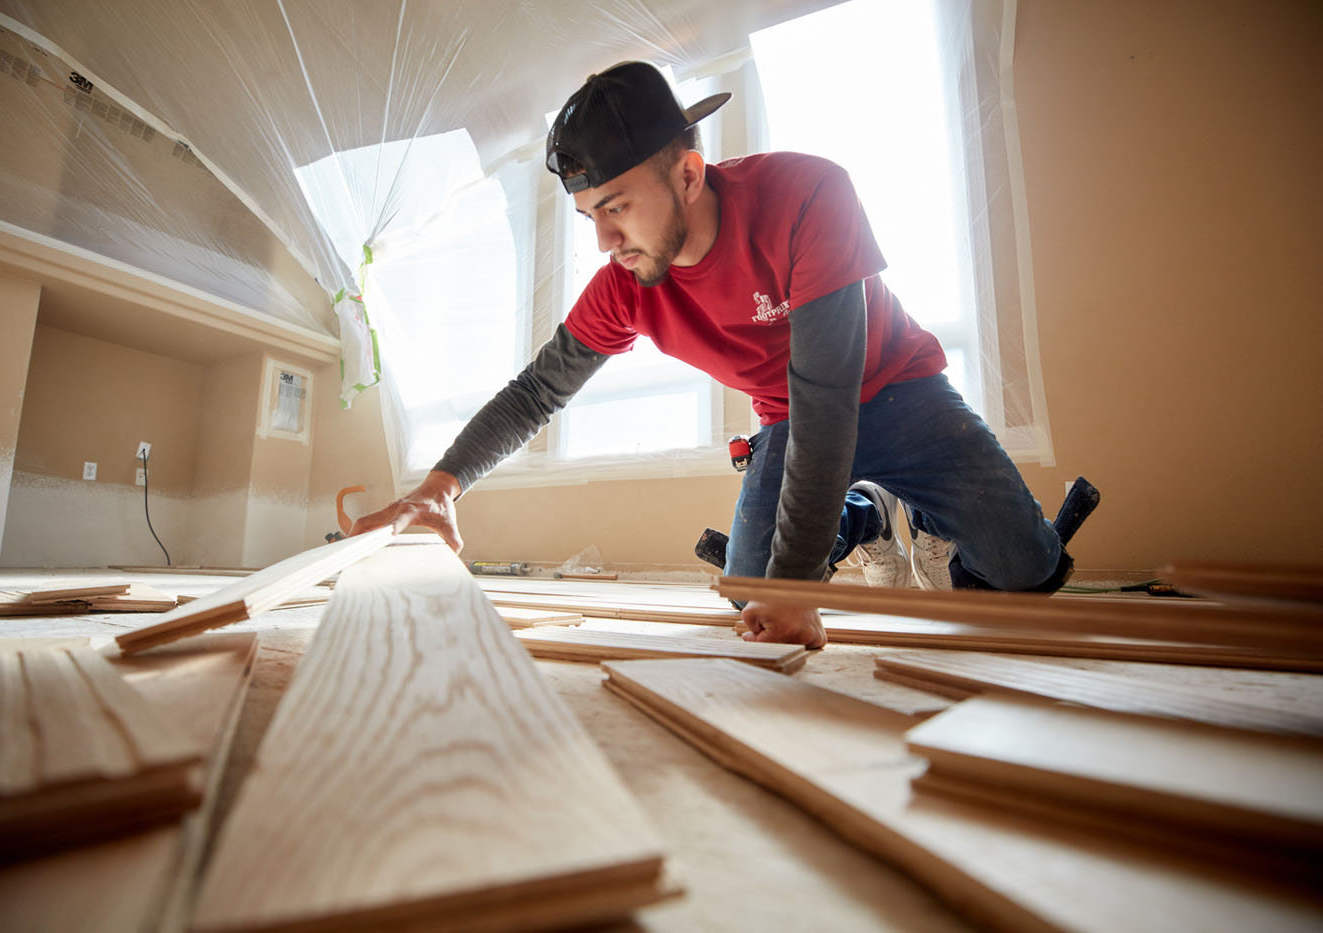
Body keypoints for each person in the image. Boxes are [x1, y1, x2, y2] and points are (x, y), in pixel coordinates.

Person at [352, 61, 1071, 648]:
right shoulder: (628, 283)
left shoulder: (809, 194)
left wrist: (800, 590)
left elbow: (828, 396)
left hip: (897, 390)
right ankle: (869, 516)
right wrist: (440, 486)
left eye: (616, 206)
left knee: (1027, 573)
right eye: (588, 216)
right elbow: (536, 392)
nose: (603, 240)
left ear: (688, 176)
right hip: (791, 420)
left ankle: (940, 522)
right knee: (752, 598)